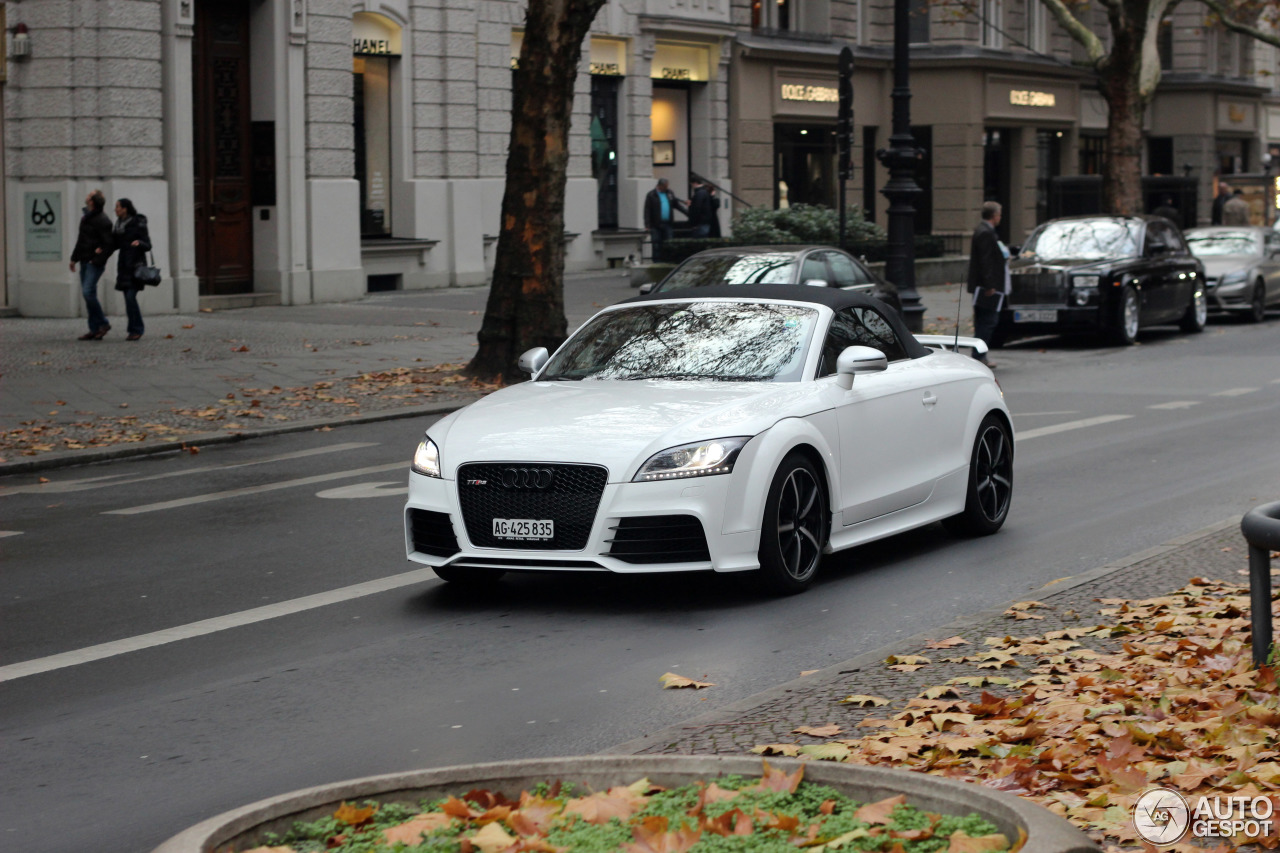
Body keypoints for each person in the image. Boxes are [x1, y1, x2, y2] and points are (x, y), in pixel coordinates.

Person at [967, 201, 1009, 368]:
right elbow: (986, 261)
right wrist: (990, 284)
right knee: (987, 321)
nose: (1000, 217)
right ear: (994, 215)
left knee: (983, 320)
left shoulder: (984, 231)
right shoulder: (985, 233)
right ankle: (979, 355)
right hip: (986, 288)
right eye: (999, 214)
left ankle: (979, 354)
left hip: (983, 285)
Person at [69, 189, 115, 340]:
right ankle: (94, 329)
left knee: (88, 292)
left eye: (89, 195)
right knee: (89, 294)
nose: (86, 196)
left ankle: (103, 323)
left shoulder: (103, 220)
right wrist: (74, 258)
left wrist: (97, 259)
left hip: (93, 262)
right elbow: (81, 240)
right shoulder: (86, 218)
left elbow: (109, 244)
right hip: (84, 259)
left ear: (92, 201)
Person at [112, 198, 152, 341]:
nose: (115, 209)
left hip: (136, 266)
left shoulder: (138, 223)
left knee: (130, 297)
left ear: (125, 209)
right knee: (128, 299)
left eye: (118, 207)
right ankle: (133, 329)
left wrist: (139, 243)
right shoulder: (118, 225)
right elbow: (114, 244)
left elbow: (148, 245)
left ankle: (137, 329)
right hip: (123, 266)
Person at [643, 178, 687, 262]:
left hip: (668, 223)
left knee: (669, 243)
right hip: (655, 224)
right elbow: (647, 210)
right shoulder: (651, 195)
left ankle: (668, 260)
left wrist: (687, 213)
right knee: (656, 244)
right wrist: (647, 224)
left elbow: (676, 205)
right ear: (660, 186)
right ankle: (657, 263)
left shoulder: (669, 193)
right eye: (665, 186)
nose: (666, 188)